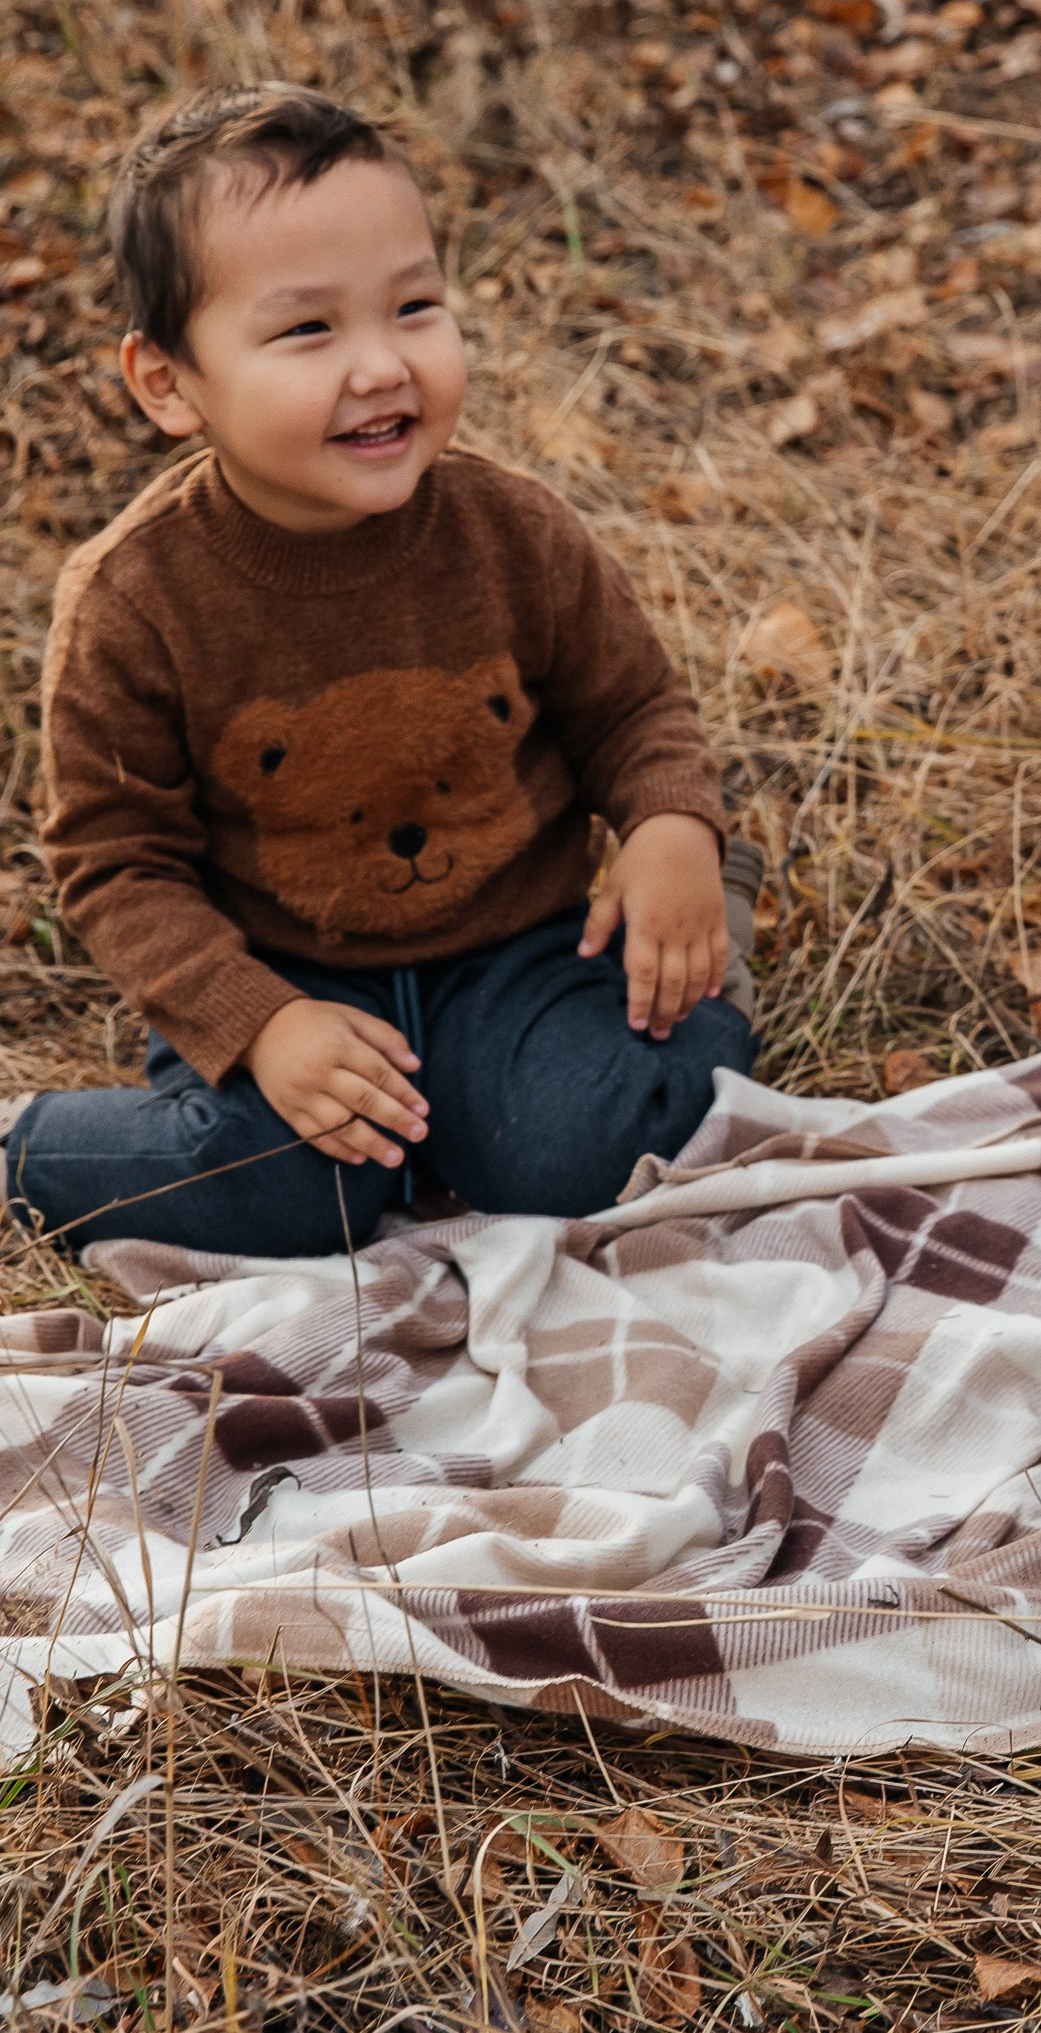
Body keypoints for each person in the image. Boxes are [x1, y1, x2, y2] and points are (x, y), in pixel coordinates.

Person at [0, 82, 761, 1258]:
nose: (380, 366)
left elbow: (634, 708)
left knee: (579, 1156)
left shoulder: (513, 533)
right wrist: (259, 1023)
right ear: (168, 381)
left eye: (414, 306)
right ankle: (27, 1146)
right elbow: (114, 860)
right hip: (287, 974)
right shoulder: (136, 601)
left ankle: (706, 942)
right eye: (308, 329)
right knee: (299, 1194)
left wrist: (672, 827)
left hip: (517, 949)